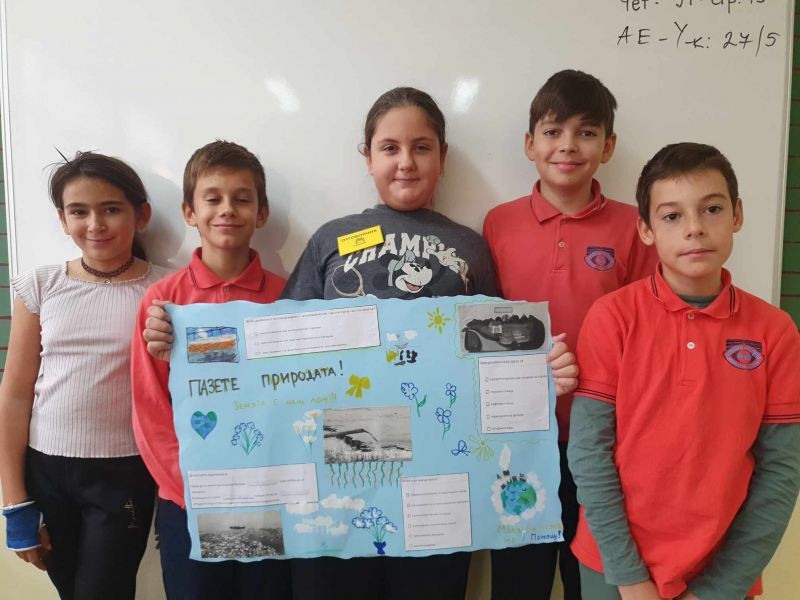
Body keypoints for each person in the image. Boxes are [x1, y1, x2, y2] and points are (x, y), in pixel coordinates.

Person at [142, 89, 578, 600]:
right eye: (389, 148)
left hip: (438, 471)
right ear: (367, 157)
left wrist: (537, 372)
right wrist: (187, 346)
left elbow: (490, 354)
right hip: (337, 470)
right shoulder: (331, 239)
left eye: (421, 147)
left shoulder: (470, 245)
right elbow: (275, 351)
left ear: (442, 158)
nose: (405, 162)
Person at [568, 142, 800, 599]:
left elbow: (781, 471)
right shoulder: (612, 317)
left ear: (737, 214)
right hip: (613, 566)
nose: (695, 228)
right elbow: (590, 453)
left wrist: (717, 589)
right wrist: (630, 577)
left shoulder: (775, 331)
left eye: (712, 209)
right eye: (672, 216)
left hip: (722, 572)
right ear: (646, 230)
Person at [483, 69, 656, 600]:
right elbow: (481, 327)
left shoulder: (635, 226)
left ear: (608, 146)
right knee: (519, 582)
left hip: (603, 443)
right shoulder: (498, 223)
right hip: (517, 440)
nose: (568, 145)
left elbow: (648, 332)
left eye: (586, 132)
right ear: (529, 144)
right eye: (553, 131)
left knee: (592, 580)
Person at [0, 151, 168, 600]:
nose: (95, 224)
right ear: (63, 219)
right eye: (79, 211)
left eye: (111, 209)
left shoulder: (167, 290)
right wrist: (14, 501)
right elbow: (15, 394)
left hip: (125, 472)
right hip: (46, 471)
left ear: (141, 215)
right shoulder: (40, 285)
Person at [129, 140, 290, 599]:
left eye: (242, 199)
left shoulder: (288, 297)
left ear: (261, 213)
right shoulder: (163, 302)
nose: (227, 210)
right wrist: (192, 485)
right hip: (190, 501)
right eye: (213, 198)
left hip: (267, 498)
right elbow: (150, 407)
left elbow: (300, 394)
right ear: (190, 211)